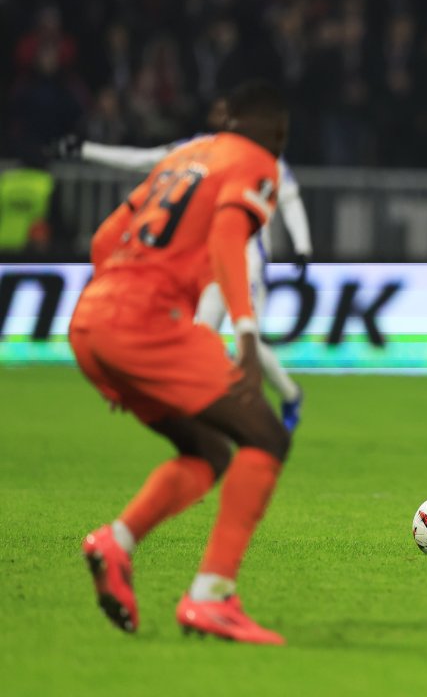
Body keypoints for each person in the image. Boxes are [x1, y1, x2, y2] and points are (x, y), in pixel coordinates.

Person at [71, 80, 294, 643]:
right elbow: (227, 238)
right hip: (147, 322)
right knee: (266, 436)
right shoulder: (256, 162)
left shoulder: (183, 158)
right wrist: (246, 333)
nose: (280, 142)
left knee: (208, 451)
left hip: (93, 320)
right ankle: (211, 597)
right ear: (266, 128)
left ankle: (115, 543)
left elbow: (104, 240)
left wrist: (109, 339)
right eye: (279, 131)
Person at [54, 98, 312, 431]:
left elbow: (289, 198)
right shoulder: (197, 148)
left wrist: (303, 245)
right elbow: (145, 159)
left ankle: (289, 396)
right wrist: (86, 150)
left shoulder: (263, 157)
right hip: (209, 260)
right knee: (201, 336)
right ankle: (205, 413)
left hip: (249, 259)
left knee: (246, 341)